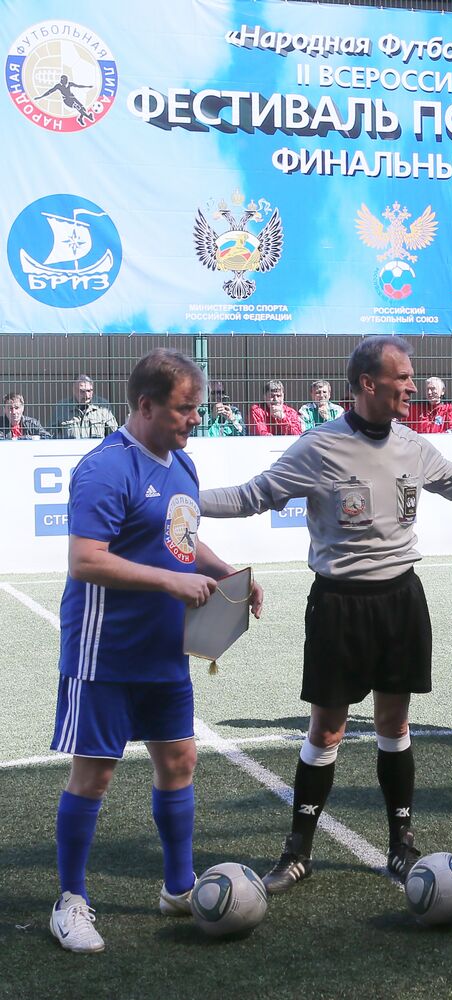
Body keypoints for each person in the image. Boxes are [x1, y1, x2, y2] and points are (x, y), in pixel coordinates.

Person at [199, 335, 452, 895]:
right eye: (401, 377)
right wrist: (183, 498)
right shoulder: (318, 447)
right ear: (368, 385)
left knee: (394, 725)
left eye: (411, 376)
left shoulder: (411, 444)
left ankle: (402, 845)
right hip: (338, 605)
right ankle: (297, 851)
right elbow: (254, 494)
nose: (410, 385)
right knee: (326, 729)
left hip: (400, 599)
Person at [48, 349, 263, 954]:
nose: (193, 420)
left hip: (165, 649)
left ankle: (177, 887)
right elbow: (85, 560)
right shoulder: (103, 469)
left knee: (180, 760)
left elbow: (184, 539)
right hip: (105, 651)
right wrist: (173, 582)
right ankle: (70, 900)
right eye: (182, 410)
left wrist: (228, 573)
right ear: (144, 405)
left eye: (195, 409)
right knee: (95, 774)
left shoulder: (183, 466)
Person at [57, 375, 118, 439]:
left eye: (89, 391)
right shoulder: (61, 408)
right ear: (74, 390)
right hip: (72, 448)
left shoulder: (103, 406)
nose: (86, 395)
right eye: (82, 391)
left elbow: (114, 434)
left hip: (97, 448)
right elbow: (51, 434)